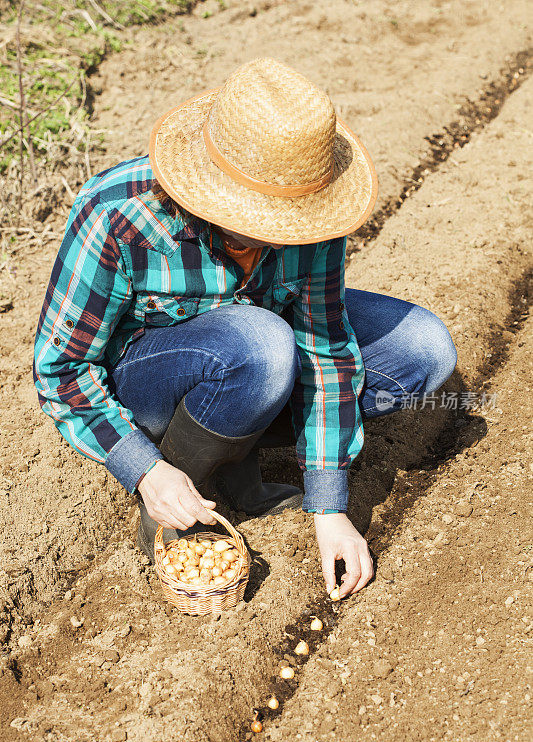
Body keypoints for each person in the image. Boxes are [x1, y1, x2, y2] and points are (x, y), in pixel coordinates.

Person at [33, 58, 457, 599]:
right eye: (261, 222)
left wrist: (329, 505)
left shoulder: (309, 211)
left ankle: (241, 448)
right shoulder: (118, 215)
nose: (279, 239)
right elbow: (61, 370)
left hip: (256, 353)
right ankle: (182, 486)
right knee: (261, 343)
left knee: (424, 350)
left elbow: (325, 351)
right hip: (151, 374)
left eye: (290, 224)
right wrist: (144, 469)